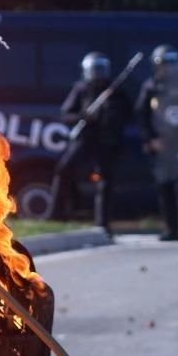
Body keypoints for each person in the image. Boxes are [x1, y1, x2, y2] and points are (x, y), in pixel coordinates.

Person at [45, 51, 133, 234]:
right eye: (95, 70)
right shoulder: (81, 89)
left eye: (101, 69)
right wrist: (84, 116)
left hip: (107, 142)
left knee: (105, 181)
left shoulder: (116, 92)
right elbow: (65, 115)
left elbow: (128, 115)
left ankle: (103, 223)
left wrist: (110, 114)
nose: (98, 74)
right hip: (85, 139)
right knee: (64, 169)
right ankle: (56, 214)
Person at [135, 45, 178, 241]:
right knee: (165, 187)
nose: (167, 68)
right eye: (164, 64)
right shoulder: (150, 87)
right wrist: (150, 139)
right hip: (160, 145)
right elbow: (142, 115)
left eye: (171, 64)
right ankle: (171, 228)